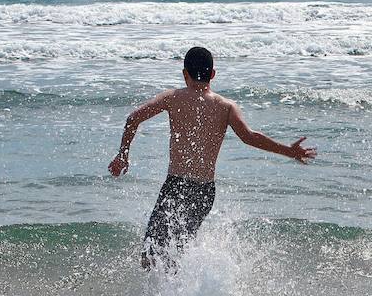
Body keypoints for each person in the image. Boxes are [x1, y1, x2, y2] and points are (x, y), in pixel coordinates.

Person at [109, 46, 316, 269]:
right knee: (177, 251)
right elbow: (250, 137)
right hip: (205, 191)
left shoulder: (172, 98)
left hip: (176, 186)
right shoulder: (225, 107)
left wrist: (123, 155)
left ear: (184, 73)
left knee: (151, 255)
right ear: (213, 74)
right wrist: (289, 151)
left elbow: (133, 119)